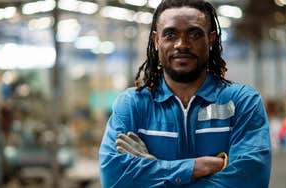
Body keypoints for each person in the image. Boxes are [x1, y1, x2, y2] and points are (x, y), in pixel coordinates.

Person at [99, 0, 272, 187]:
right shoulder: (133, 104)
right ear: (157, 41)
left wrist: (154, 166)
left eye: (194, 34)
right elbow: (114, 178)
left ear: (211, 39)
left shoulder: (242, 102)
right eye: (171, 34)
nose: (182, 44)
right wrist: (195, 167)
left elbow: (250, 179)